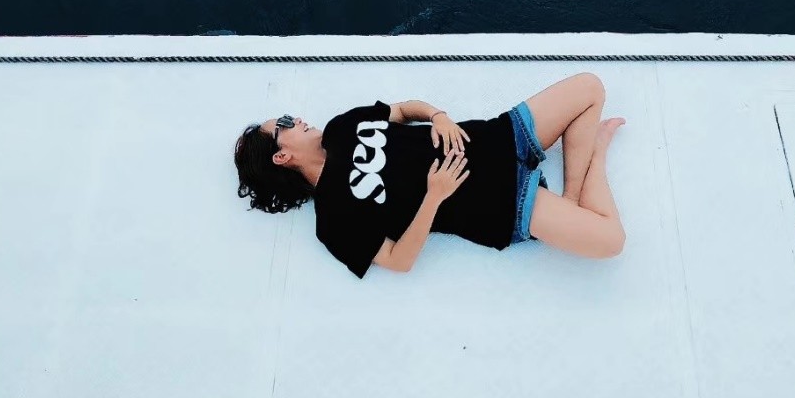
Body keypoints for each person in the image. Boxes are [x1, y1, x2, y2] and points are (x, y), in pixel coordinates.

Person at [233, 73, 626, 278]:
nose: (296, 118)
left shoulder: (340, 127)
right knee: (611, 241)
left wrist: (437, 116)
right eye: (284, 123)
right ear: (281, 156)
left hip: (496, 137)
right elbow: (398, 260)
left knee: (589, 87)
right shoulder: (332, 219)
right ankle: (595, 154)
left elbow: (404, 111)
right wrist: (434, 195)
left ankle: (571, 197)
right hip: (497, 202)